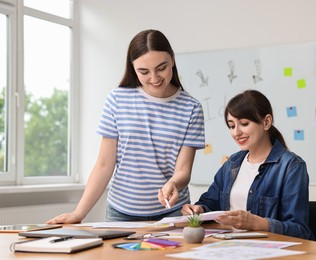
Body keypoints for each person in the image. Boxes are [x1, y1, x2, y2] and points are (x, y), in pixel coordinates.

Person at [47, 29, 205, 223]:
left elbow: (183, 170)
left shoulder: (191, 108)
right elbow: (105, 165)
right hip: (121, 213)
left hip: (172, 212)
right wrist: (79, 213)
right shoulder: (117, 99)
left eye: (161, 68)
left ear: (172, 59)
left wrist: (172, 183)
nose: (154, 78)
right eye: (144, 72)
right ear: (133, 68)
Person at [181, 89, 313, 240]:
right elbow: (209, 203)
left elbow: (300, 230)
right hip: (226, 246)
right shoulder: (232, 163)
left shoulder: (291, 166)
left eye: (244, 124)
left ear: (266, 122)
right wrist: (198, 209)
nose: (236, 132)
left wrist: (257, 223)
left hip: (267, 249)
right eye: (231, 126)